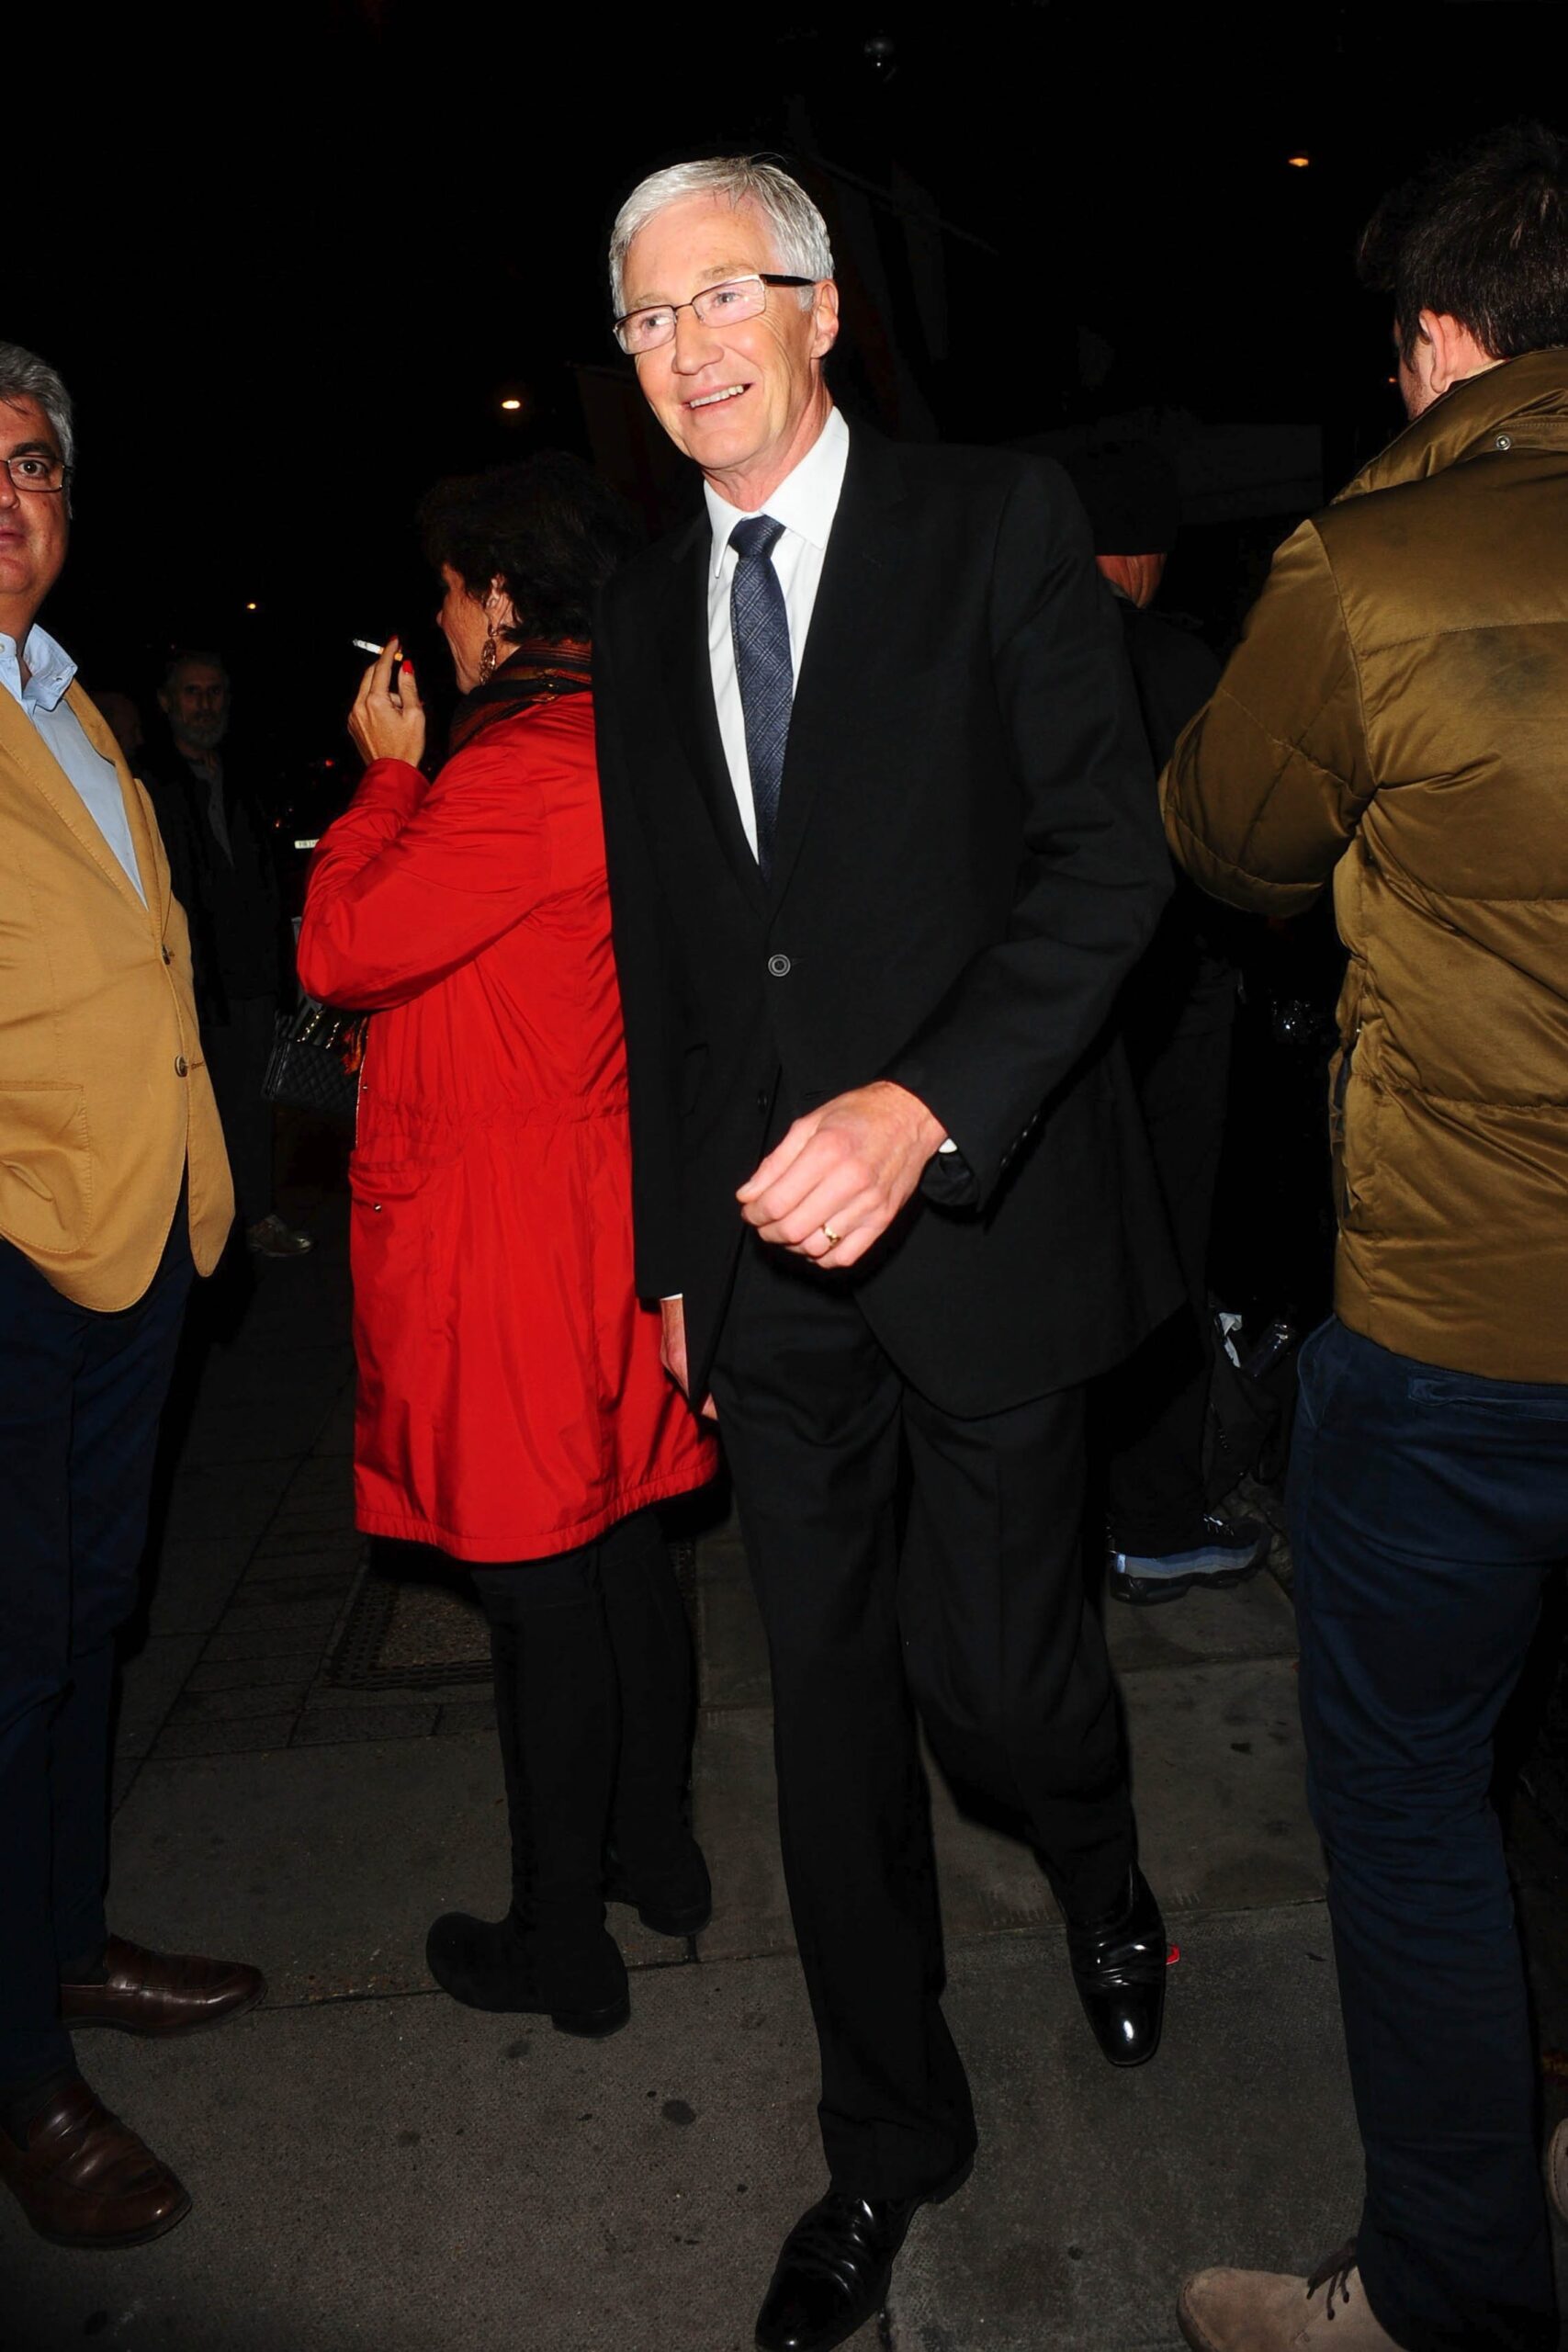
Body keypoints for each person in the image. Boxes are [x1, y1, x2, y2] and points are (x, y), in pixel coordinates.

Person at [593, 157, 1181, 2352]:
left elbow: (1105, 864)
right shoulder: (648, 612)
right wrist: (674, 1248)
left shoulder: (989, 526)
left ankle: (1102, 1865)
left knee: (996, 1691)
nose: (686, 349)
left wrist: (923, 1098)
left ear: (821, 308)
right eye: (645, 321)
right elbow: (676, 963)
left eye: (722, 296)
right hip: (762, 1273)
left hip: (983, 1227)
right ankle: (881, 2142)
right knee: (824, 1714)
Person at [1165, 123, 1568, 2352]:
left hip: (1454, 1329)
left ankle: (1442, 2291)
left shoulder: (1371, 561)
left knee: (1410, 1802)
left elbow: (1218, 831)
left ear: (1432, 338)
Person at [297, 455, 716, 2042]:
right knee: (622, 1556)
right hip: (601, 1209)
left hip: (511, 1234)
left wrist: (385, 775)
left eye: (449, 592)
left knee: (547, 1590)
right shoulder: (633, 732)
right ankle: (658, 1863)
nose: (436, 624)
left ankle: (562, 1944)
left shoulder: (523, 762)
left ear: (505, 600)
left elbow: (340, 945)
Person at [0, 343, 261, 2251]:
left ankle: (66, 1938)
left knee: (90, 1618)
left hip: (137, 1238)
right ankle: (17, 2071)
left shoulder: (72, 696)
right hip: (12, 1257)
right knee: (4, 1661)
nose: (4, 495)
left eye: (28, 464)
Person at [1062, 444, 1265, 1605]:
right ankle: (1153, 1513)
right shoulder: (1172, 656)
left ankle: (1063, 1515)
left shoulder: (1001, 638)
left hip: (1035, 1021)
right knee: (1163, 1254)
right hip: (1167, 1006)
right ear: (1137, 553)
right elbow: (1236, 847)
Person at [147, 650, 310, 1260]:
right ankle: (197, 1237)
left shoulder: (244, 780)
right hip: (187, 979)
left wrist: (282, 964)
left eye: (214, 692)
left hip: (248, 977)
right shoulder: (147, 783)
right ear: (166, 702)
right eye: (191, 692)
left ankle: (256, 1218)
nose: (205, 704)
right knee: (190, 1114)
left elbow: (266, 878)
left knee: (251, 1104)